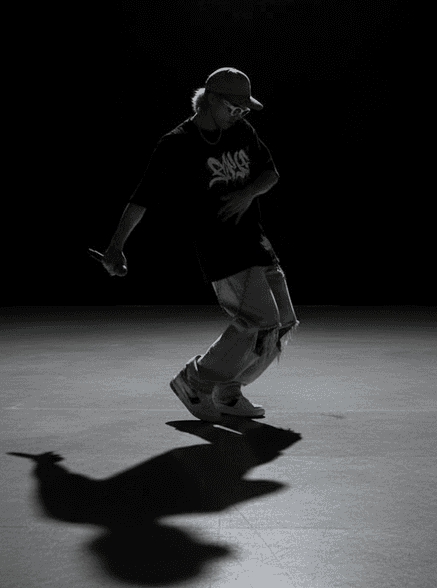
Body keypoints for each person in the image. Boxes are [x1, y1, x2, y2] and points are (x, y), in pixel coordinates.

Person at [91, 67, 298, 422]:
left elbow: (271, 173)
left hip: (256, 243)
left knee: (281, 324)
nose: (242, 115)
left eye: (245, 110)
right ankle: (195, 380)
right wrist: (115, 247)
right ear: (211, 101)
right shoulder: (177, 144)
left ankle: (228, 393)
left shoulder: (241, 131)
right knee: (258, 319)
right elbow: (142, 199)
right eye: (236, 108)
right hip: (222, 249)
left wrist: (248, 193)